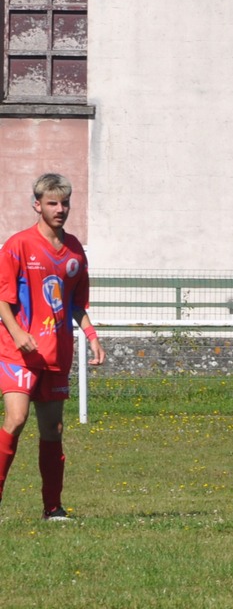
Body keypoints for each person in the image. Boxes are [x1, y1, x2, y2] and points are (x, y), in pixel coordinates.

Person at [0, 173, 105, 521]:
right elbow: (2, 299)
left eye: (65, 203)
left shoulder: (75, 251)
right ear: (37, 205)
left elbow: (76, 303)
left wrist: (92, 338)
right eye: (52, 203)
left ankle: (53, 509)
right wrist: (16, 333)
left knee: (53, 430)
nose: (60, 209)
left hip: (55, 353)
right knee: (16, 419)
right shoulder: (18, 245)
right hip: (19, 352)